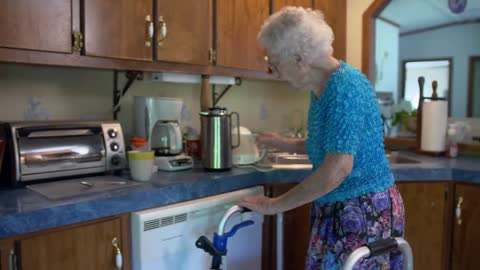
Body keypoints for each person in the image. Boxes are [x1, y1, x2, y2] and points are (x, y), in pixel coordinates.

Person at [238, 7, 405, 270]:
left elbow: (338, 167)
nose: (275, 72)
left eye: (275, 63)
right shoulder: (320, 88)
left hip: (362, 211)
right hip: (336, 206)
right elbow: (332, 145)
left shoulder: (346, 86)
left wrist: (274, 205)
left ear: (298, 59)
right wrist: (284, 143)